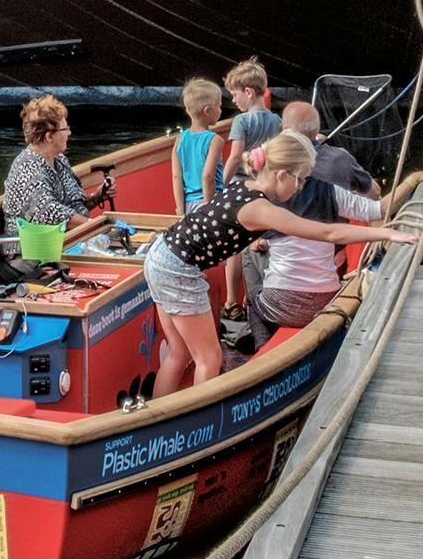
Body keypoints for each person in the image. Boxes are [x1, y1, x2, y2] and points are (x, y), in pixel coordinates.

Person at [142, 130, 409, 397]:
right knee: (209, 359)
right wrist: (387, 233)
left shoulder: (244, 186)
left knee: (179, 353)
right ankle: (193, 425)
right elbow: (329, 233)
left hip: (160, 254)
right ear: (282, 175)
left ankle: (153, 415)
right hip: (178, 269)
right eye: (301, 180)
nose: (301, 187)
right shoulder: (262, 210)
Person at [248, 130, 385, 347]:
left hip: (283, 304)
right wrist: (412, 182)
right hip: (325, 298)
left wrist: (260, 242)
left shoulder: (260, 200)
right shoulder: (330, 191)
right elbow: (376, 209)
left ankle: (262, 345)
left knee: (253, 293)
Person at [220, 57, 282, 321]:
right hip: (267, 186)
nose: (233, 101)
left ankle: (234, 301)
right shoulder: (277, 120)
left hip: (242, 185)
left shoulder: (241, 122)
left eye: (235, 95)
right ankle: (263, 297)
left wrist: (224, 180)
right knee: (264, 241)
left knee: (238, 245)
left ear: (248, 92)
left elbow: (235, 157)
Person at [2, 95, 93, 231]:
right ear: (49, 136)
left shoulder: (60, 160)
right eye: (65, 129)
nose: (69, 132)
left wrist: (97, 197)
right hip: (30, 248)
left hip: (64, 240)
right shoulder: (27, 168)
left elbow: (72, 204)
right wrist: (95, 224)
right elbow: (48, 212)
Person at [170, 76, 225, 212]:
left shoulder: (179, 140)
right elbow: (208, 176)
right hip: (210, 200)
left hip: (188, 205)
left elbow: (177, 177)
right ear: (207, 111)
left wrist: (180, 209)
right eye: (219, 106)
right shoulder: (215, 140)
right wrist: (209, 208)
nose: (221, 110)